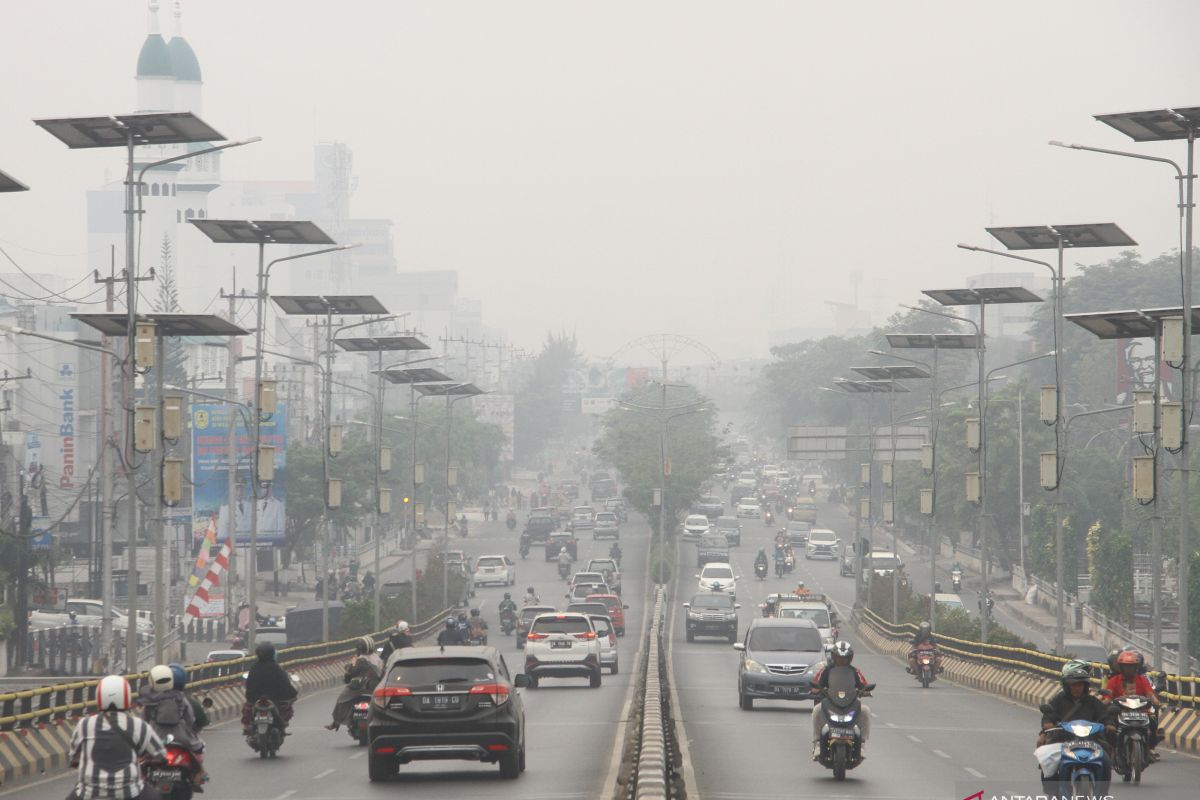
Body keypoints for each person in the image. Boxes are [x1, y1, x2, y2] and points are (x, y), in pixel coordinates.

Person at [68, 674, 167, 800]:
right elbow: (160, 755)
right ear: (127, 697)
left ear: (99, 697)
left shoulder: (84, 725)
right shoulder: (139, 725)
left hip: (89, 794)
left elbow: (73, 756)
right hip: (129, 793)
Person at [139, 664, 207, 791]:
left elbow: (143, 722)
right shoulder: (181, 698)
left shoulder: (149, 701)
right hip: (182, 739)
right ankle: (199, 776)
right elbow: (190, 719)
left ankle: (141, 781)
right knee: (197, 755)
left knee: (141, 760)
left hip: (155, 740)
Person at [811, 641, 872, 760]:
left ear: (850, 658)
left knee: (866, 711)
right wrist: (816, 689)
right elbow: (816, 683)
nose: (842, 661)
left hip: (850, 704)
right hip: (830, 703)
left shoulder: (855, 672)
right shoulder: (826, 670)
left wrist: (865, 691)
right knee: (816, 710)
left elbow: (864, 685)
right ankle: (817, 743)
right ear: (834, 657)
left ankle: (862, 744)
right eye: (839, 658)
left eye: (845, 658)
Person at [1038, 660, 1115, 748]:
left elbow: (1103, 714)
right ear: (1067, 686)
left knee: (1108, 748)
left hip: (1090, 740)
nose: (1077, 688)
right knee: (1042, 745)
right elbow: (1049, 714)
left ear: (1085, 686)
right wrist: (1047, 723)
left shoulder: (1092, 701)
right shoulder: (1059, 699)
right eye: (1073, 685)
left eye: (1080, 685)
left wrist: (1109, 724)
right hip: (1063, 739)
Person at [1105, 649, 1163, 759]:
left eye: (1131, 667)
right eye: (1126, 666)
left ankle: (1149, 748)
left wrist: (1155, 701)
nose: (1129, 669)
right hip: (1120, 712)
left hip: (1141, 711)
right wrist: (1103, 702)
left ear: (1136, 667)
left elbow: (1149, 693)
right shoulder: (1113, 680)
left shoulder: (1142, 679)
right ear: (1121, 667)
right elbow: (1108, 696)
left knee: (1153, 722)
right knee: (1109, 725)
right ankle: (1113, 749)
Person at [326, 637, 382, 731]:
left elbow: (350, 674)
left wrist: (349, 672)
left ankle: (336, 721)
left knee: (341, 699)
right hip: (375, 687)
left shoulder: (359, 660)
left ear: (359, 649)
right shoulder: (378, 659)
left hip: (359, 687)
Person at [242, 643, 298, 735]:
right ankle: (282, 724)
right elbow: (285, 685)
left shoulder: (254, 668)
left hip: (256, 698)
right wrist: (292, 694)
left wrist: (250, 697)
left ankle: (247, 726)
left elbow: (249, 685)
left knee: (247, 709)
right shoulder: (277, 668)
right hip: (275, 698)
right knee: (286, 708)